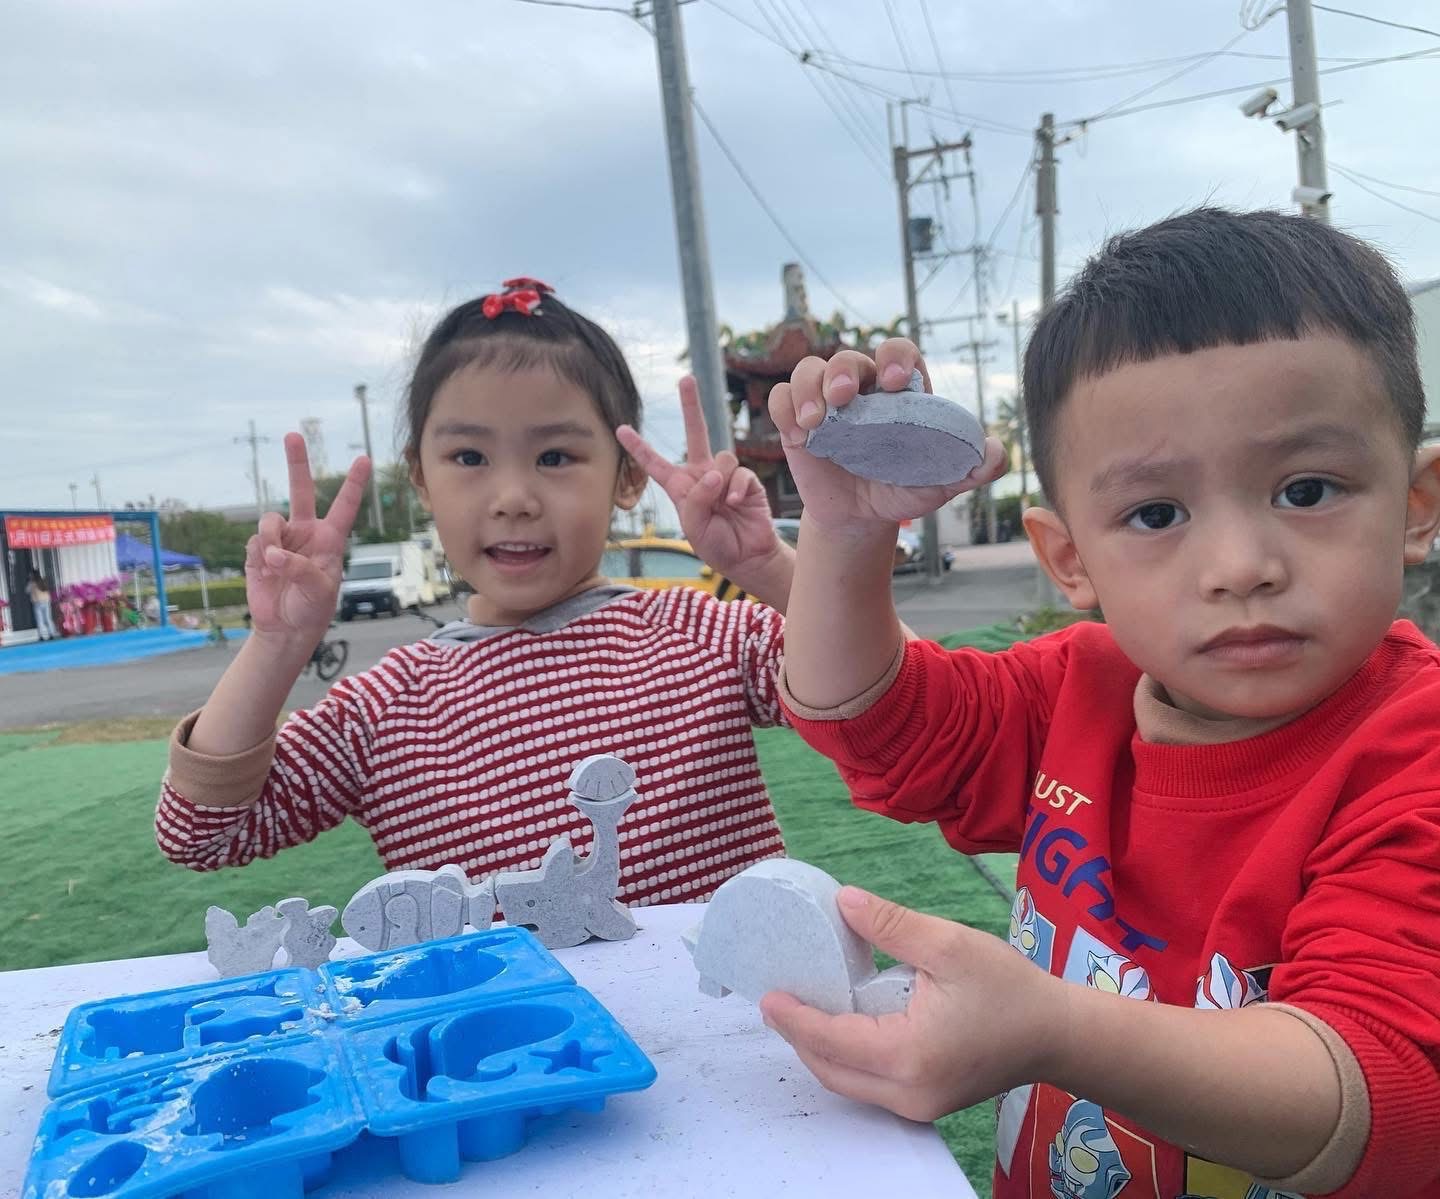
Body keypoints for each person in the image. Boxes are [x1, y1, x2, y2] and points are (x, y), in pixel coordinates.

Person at [760, 209, 1440, 1198]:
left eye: (1307, 489)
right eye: (1156, 513)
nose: (1241, 565)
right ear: (1069, 556)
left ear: (1417, 502)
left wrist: (1051, 1026)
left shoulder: (1412, 751)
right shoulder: (1075, 688)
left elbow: (1387, 1089)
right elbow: (869, 722)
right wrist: (844, 532)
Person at [155, 277, 798, 909]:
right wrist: (278, 643)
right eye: (468, 457)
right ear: (421, 480)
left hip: (724, 1014)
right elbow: (198, 834)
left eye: (554, 457)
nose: (513, 498)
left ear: (627, 477)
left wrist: (767, 567)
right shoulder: (383, 710)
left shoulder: (704, 635)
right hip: (504, 1021)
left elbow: (880, 686)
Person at [26, 571, 56, 641]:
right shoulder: (43, 581)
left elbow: (27, 590)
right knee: (48, 618)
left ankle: (41, 636)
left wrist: (29, 581)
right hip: (46, 601)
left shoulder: (32, 583)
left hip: (37, 602)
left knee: (40, 620)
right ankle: (52, 634)